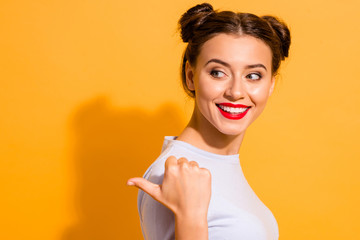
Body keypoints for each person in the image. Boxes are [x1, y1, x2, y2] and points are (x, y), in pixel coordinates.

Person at [127, 2, 291, 240]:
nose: (236, 91)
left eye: (253, 76)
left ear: (270, 85)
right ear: (191, 76)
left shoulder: (220, 165)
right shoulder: (173, 173)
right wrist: (191, 217)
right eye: (218, 72)